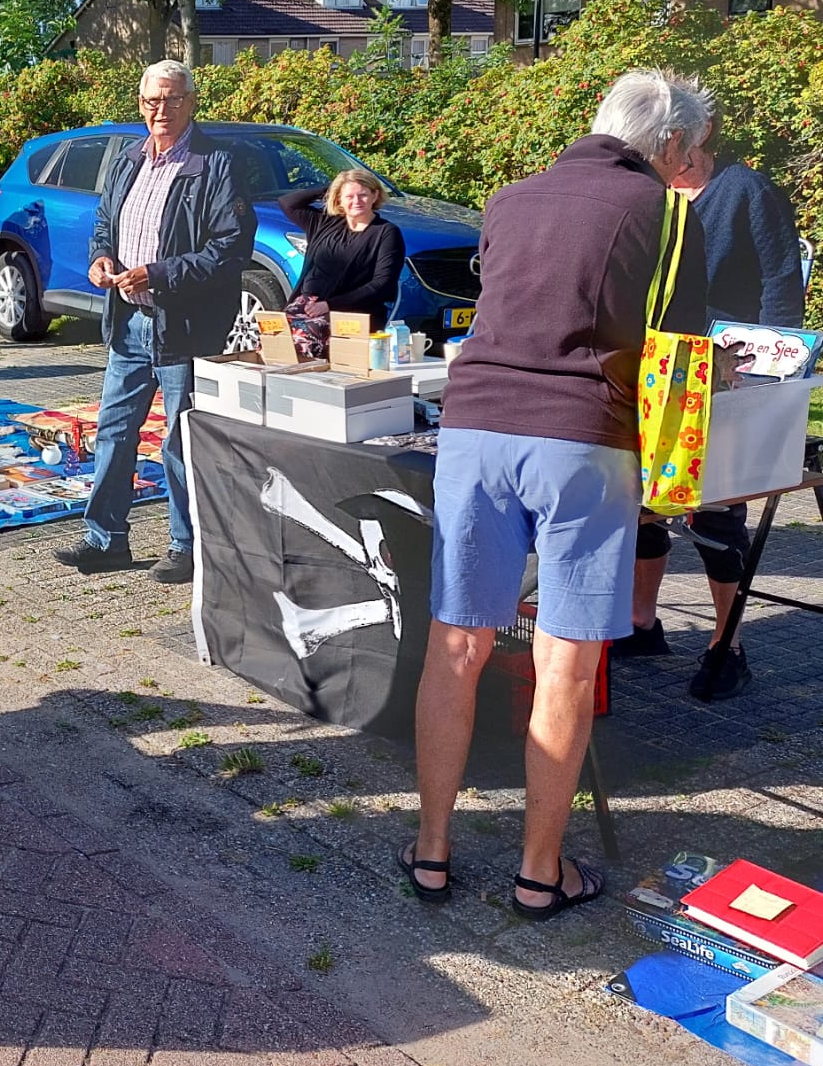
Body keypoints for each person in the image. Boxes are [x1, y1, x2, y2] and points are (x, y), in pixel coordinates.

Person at [407, 70, 710, 921]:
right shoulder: (666, 213)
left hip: (476, 425)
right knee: (566, 660)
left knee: (455, 644)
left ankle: (431, 852)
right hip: (583, 436)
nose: (693, 166)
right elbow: (679, 357)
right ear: (670, 145)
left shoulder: (509, 198)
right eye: (693, 151)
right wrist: (676, 478)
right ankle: (540, 873)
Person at [622, 113, 806, 698]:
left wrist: (775, 369)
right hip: (655, 370)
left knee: (716, 513)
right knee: (645, 501)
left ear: (694, 136)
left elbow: (781, 281)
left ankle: (728, 645)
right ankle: (642, 623)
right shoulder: (647, 192)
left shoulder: (746, 190)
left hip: (728, 373)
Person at [55, 61, 253, 582]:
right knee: (114, 432)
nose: (160, 110)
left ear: (191, 102)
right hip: (128, 323)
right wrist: (101, 258)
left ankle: (186, 547)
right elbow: (105, 224)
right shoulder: (128, 160)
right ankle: (106, 540)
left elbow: (230, 248)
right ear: (140, 104)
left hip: (185, 327)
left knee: (180, 440)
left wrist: (159, 274)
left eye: (171, 99)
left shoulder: (216, 164)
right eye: (151, 100)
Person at [280, 168, 407, 347]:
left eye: (363, 195)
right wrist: (333, 188)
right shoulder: (324, 222)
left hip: (354, 312)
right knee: (274, 332)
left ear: (375, 195)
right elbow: (288, 203)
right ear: (339, 198)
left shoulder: (386, 233)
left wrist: (329, 305)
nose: (356, 201)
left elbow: (382, 285)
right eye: (349, 196)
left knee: (304, 336)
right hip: (308, 305)